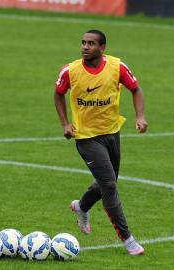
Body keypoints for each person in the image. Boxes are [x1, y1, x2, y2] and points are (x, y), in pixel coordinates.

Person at [54, 29, 147, 255]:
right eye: (83, 43)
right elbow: (58, 93)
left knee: (108, 180)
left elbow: (136, 89)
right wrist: (66, 123)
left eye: (91, 43)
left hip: (112, 133)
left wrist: (140, 116)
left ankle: (81, 206)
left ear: (102, 48)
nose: (85, 47)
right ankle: (128, 239)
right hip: (86, 137)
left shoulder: (117, 67)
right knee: (109, 185)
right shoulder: (71, 70)